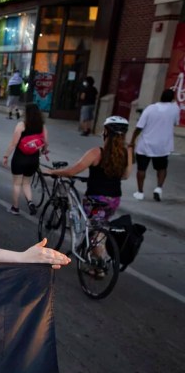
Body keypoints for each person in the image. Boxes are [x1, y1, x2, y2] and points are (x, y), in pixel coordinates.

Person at [46, 116, 133, 275]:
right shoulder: (127, 152)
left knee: (93, 230)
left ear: (106, 132)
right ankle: (96, 255)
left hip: (95, 199)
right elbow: (126, 175)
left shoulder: (96, 152)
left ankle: (99, 265)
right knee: (99, 226)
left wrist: (53, 172)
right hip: (114, 199)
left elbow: (73, 171)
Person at [129, 89, 179, 201]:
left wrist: (132, 141)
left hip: (146, 144)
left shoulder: (150, 109)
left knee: (141, 168)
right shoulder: (174, 109)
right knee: (162, 168)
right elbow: (175, 122)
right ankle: (158, 188)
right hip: (163, 145)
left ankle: (140, 192)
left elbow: (139, 127)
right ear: (172, 98)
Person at [2, 103, 49, 216]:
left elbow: (13, 143)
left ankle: (15, 207)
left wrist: (6, 156)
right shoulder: (42, 126)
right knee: (26, 183)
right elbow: (46, 142)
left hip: (20, 158)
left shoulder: (21, 125)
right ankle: (30, 202)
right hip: (33, 158)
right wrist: (43, 151)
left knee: (17, 184)